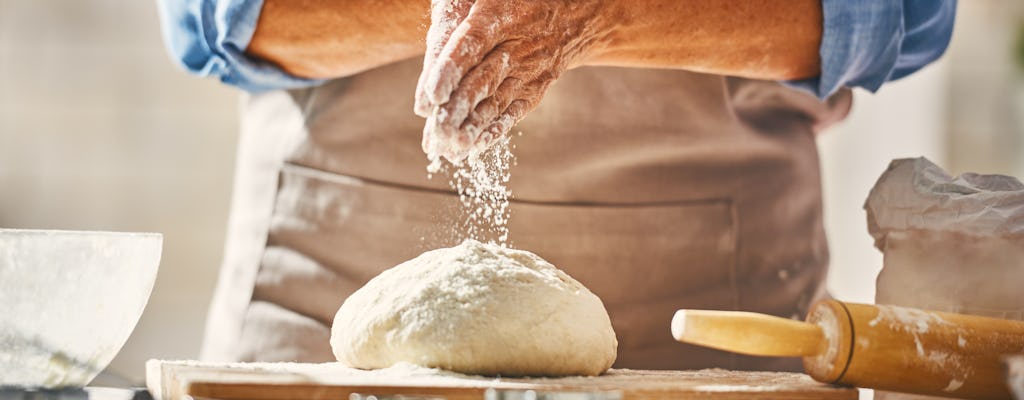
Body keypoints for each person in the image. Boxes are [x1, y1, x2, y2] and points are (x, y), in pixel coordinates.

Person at [156, 0, 956, 371]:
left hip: (711, 322)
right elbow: (213, 15)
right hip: (328, 293)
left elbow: (906, 15)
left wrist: (607, 12)